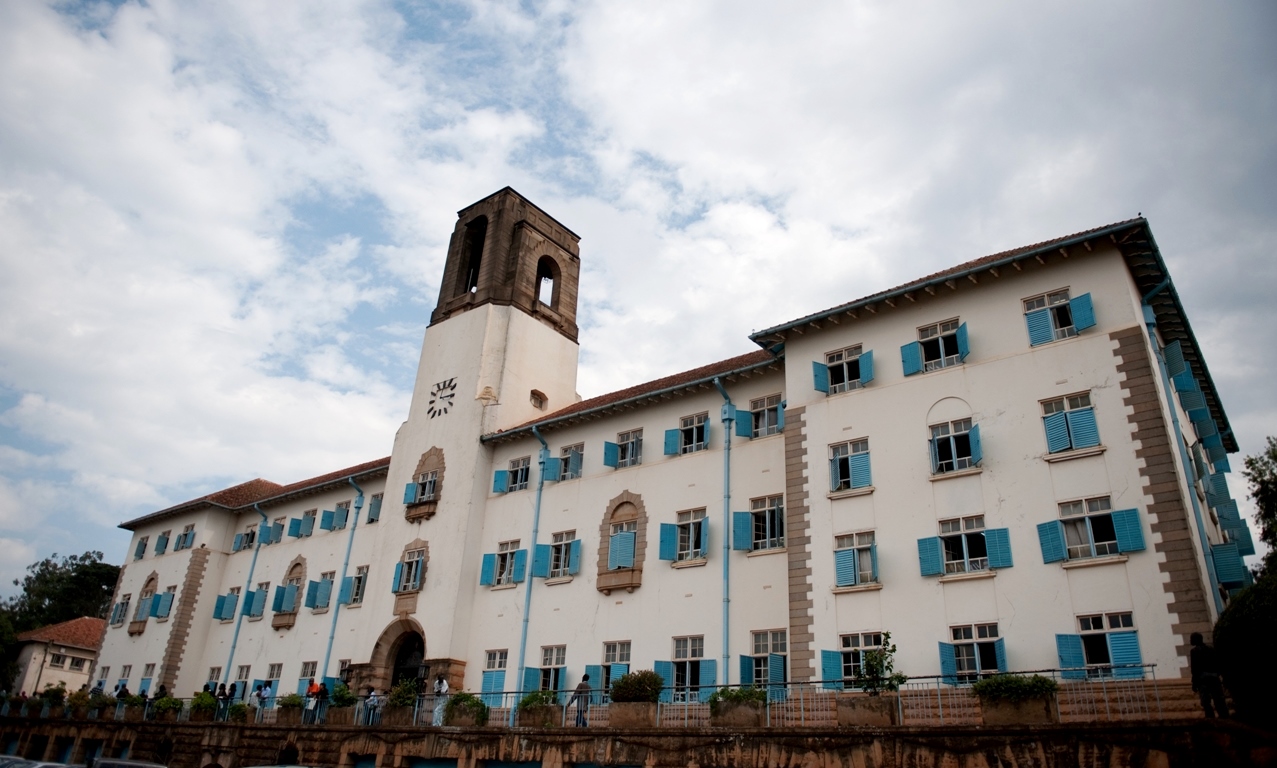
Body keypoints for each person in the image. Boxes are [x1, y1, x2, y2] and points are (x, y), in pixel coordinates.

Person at [1190, 632, 1228, 718]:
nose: (1190, 640)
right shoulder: (1211, 649)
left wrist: (1194, 683)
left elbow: (1194, 668)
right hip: (1214, 677)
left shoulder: (1194, 651)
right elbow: (1218, 663)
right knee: (1219, 699)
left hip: (1203, 679)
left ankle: (1210, 717)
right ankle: (1224, 716)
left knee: (1205, 701)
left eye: (1191, 638)